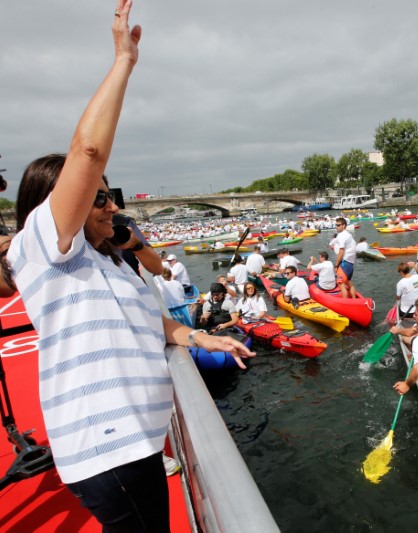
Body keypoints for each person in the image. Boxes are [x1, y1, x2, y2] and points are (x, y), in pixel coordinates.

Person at [6, 7, 253, 528]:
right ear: (61, 204)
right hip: (107, 447)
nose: (112, 205)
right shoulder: (43, 248)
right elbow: (89, 150)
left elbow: (148, 320)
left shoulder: (107, 264)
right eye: (98, 198)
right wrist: (123, 61)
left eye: (112, 195)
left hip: (134, 440)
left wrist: (197, 338)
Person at [334, 217, 358, 298]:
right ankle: (354, 300)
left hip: (344, 263)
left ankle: (345, 303)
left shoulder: (341, 235)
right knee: (348, 282)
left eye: (338, 225)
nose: (336, 227)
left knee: (341, 284)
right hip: (350, 264)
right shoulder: (348, 234)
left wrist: (336, 265)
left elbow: (341, 252)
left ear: (344, 225)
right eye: (336, 225)